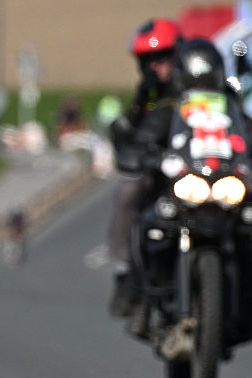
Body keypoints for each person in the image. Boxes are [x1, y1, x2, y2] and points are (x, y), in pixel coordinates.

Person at [129, 37, 252, 341]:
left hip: (225, 187)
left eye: (208, 79)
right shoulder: (172, 110)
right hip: (184, 187)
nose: (203, 85)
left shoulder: (230, 110)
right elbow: (145, 138)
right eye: (197, 79)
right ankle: (147, 296)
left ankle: (251, 294)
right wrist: (146, 155)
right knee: (151, 222)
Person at [106, 18, 181, 318]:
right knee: (128, 191)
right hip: (160, 170)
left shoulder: (202, 86)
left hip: (201, 167)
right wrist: (128, 135)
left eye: (164, 57)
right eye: (150, 60)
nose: (158, 66)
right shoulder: (148, 94)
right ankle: (125, 270)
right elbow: (128, 131)